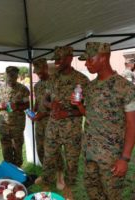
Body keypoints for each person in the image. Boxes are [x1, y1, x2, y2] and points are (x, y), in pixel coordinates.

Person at [74, 42, 135, 200]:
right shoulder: (90, 87)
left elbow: (132, 126)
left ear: (103, 58)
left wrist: (125, 158)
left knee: (112, 195)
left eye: (90, 59)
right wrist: (79, 106)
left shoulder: (126, 88)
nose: (86, 63)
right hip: (89, 153)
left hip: (111, 158)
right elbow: (90, 115)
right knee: (93, 192)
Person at [35, 46, 89, 199]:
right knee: (49, 156)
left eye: (60, 58)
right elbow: (45, 98)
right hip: (53, 127)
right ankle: (47, 179)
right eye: (56, 58)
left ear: (70, 58)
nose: (57, 61)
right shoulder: (52, 78)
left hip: (72, 129)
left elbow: (87, 109)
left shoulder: (82, 80)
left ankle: (69, 187)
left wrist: (68, 112)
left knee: (72, 161)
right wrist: (50, 104)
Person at [0, 66, 30, 167]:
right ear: (6, 75)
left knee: (17, 150)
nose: (11, 78)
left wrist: (17, 106)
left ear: (17, 76)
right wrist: (1, 106)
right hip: (3, 125)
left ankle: (18, 173)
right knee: (6, 151)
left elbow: (27, 105)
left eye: (14, 76)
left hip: (17, 126)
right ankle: (9, 171)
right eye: (9, 75)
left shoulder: (23, 89)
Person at [31, 58, 51, 164]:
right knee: (40, 148)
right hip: (39, 122)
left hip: (52, 122)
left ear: (46, 68)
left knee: (53, 150)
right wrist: (33, 111)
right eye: (37, 72)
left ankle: (59, 176)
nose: (39, 74)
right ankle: (46, 172)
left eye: (40, 71)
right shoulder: (37, 86)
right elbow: (37, 102)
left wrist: (44, 114)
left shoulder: (55, 83)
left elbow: (61, 107)